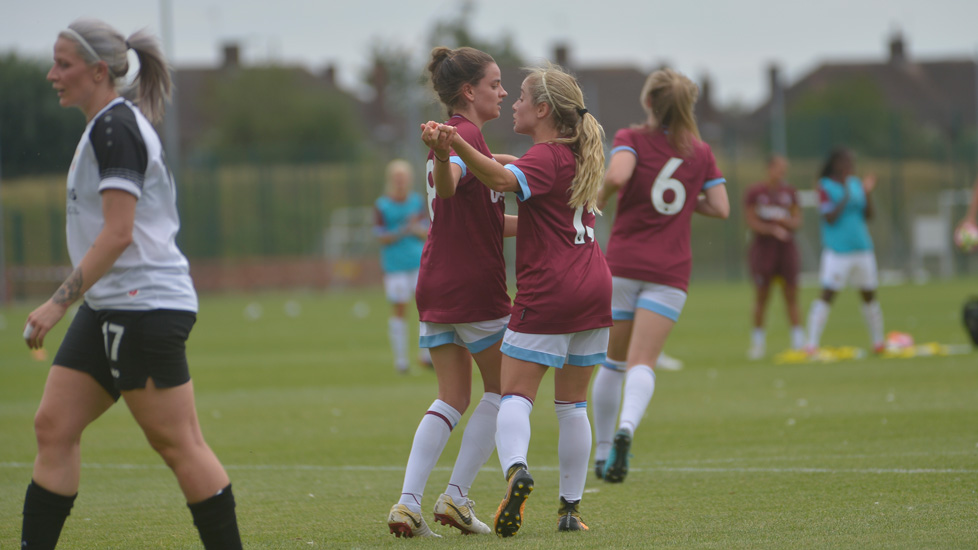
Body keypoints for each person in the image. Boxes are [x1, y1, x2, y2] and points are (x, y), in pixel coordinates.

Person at [20, 19, 241, 549]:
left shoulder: (116, 127)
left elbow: (119, 234)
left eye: (64, 64)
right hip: (110, 305)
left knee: (179, 445)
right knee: (53, 426)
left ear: (98, 70)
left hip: (143, 306)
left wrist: (55, 304)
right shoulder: (106, 124)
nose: (53, 74)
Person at [423, 63, 612, 537]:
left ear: (544, 109)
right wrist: (495, 157)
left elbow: (504, 183)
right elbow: (515, 185)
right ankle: (570, 509)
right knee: (573, 406)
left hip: (551, 292)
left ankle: (516, 472)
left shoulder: (545, 157)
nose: (514, 100)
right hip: (595, 286)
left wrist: (454, 143)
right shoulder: (577, 156)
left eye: (523, 96)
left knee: (513, 395)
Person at [387, 46, 517, 538]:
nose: (502, 92)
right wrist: (444, 156)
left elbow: (478, 216)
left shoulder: (471, 141)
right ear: (469, 91)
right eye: (495, 83)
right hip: (471, 285)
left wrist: (542, 225)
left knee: (452, 397)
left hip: (437, 280)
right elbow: (447, 187)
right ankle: (457, 497)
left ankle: (407, 504)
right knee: (507, 391)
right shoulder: (460, 137)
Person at [590, 68, 730, 485]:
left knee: (612, 363)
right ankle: (627, 429)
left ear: (649, 103)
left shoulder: (631, 139)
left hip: (625, 265)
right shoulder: (700, 152)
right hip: (671, 273)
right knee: (644, 363)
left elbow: (617, 175)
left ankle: (600, 455)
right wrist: (687, 200)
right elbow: (722, 207)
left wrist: (592, 202)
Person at [804, 147, 884, 353]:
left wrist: (867, 194)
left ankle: (878, 341)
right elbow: (829, 217)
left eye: (852, 162)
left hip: (862, 248)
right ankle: (811, 344)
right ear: (836, 164)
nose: (851, 166)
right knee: (828, 293)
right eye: (847, 162)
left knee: (869, 295)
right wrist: (847, 196)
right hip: (838, 251)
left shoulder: (856, 184)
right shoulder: (825, 186)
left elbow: (869, 215)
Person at [744, 154, 804, 359]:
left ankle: (798, 342)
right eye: (779, 168)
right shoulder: (755, 192)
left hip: (786, 250)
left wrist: (785, 223)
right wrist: (771, 229)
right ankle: (758, 344)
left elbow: (797, 220)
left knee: (791, 295)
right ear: (769, 168)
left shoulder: (790, 192)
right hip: (763, 251)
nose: (782, 173)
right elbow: (751, 221)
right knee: (762, 296)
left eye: (784, 169)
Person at [373, 159, 430, 373]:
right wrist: (401, 230)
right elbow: (381, 236)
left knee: (425, 307)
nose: (400, 182)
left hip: (417, 261)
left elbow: (425, 231)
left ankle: (426, 355)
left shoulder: (416, 202)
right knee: (400, 307)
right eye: (397, 178)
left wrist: (413, 228)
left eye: (403, 178)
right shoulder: (382, 206)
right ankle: (401, 361)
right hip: (394, 265)